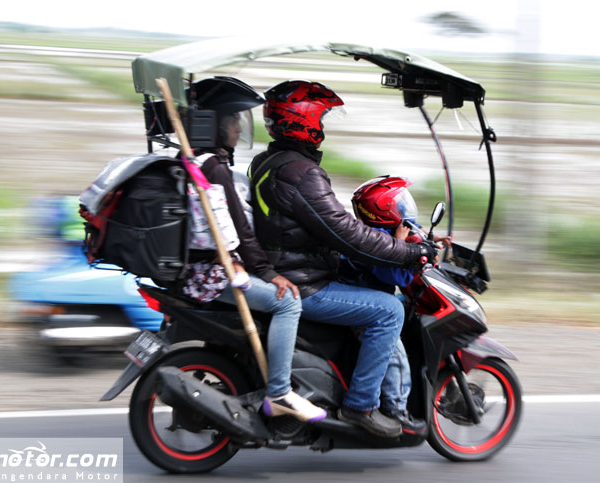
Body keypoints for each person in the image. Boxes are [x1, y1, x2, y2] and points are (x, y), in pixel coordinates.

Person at [248, 80, 437, 437]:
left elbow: (325, 224)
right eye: (320, 118)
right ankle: (361, 406)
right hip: (304, 282)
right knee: (389, 309)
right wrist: (410, 251)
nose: (322, 127)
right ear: (301, 121)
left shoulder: (268, 161)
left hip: (285, 267)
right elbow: (346, 234)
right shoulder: (301, 173)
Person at [183, 76, 326, 423]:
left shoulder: (195, 159)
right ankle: (279, 392)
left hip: (201, 268)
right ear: (216, 125)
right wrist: (268, 273)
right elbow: (240, 230)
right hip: (213, 275)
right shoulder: (213, 167)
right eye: (233, 121)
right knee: (288, 302)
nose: (238, 129)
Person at [343, 175, 451, 435]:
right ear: (383, 209)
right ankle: (396, 408)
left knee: (405, 306)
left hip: (367, 295)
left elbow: (405, 234)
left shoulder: (373, 230)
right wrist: (404, 247)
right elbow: (394, 274)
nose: (403, 211)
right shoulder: (377, 241)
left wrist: (426, 239)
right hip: (364, 304)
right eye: (399, 205)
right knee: (395, 352)